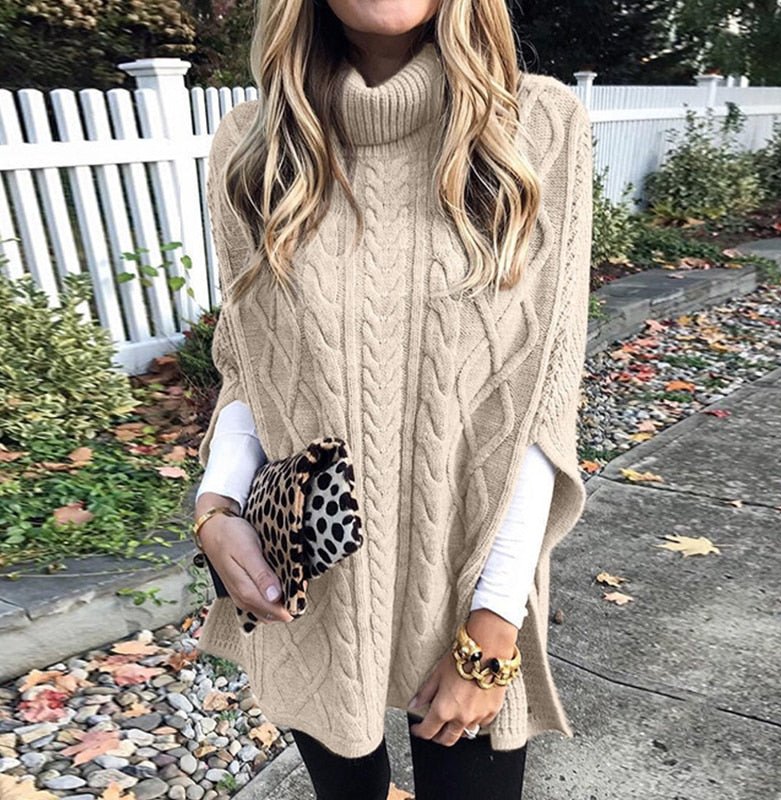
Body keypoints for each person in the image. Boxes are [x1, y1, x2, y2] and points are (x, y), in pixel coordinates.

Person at [192, 1, 594, 798]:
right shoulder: (251, 144)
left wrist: (493, 626)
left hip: (468, 561)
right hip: (313, 563)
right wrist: (217, 505)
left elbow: (540, 402)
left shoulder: (538, 125)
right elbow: (249, 361)